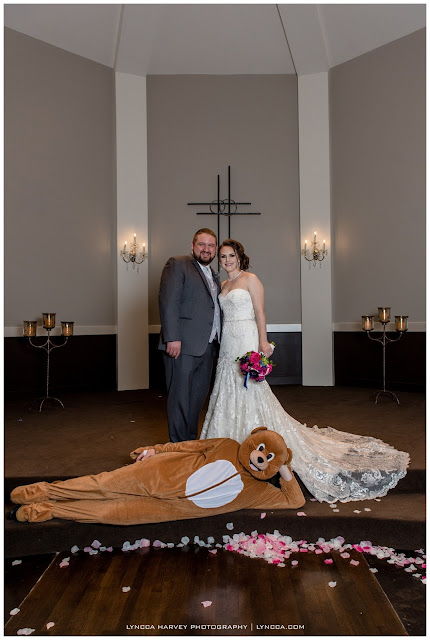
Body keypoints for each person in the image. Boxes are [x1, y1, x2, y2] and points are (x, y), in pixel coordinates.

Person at [200, 239, 410, 503]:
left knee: (250, 386)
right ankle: (228, 440)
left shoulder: (251, 279)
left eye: (231, 255)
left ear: (240, 257)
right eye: (223, 256)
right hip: (228, 344)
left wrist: (263, 343)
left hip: (246, 338)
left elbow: (260, 313)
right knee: (227, 384)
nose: (227, 260)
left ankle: (255, 436)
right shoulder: (223, 285)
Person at [159, 228, 221, 442]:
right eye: (202, 244)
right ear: (192, 246)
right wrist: (172, 337)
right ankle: (178, 447)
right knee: (180, 399)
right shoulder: (178, 264)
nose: (206, 249)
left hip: (208, 347)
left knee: (196, 400)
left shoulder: (214, 275)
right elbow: (169, 302)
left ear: (215, 249)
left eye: (211, 245)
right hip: (182, 345)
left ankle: (190, 443)